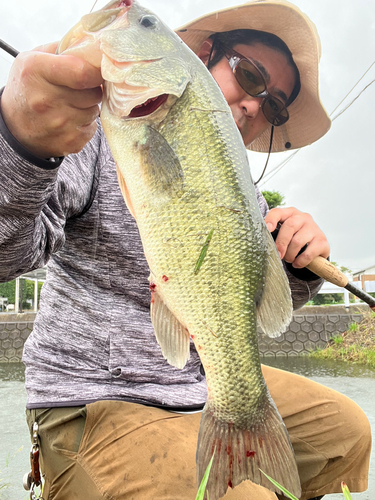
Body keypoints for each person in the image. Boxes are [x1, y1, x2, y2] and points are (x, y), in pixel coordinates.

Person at [0, 0, 371, 499]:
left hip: (194, 383)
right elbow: (8, 256)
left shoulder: (246, 194)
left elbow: (245, 307)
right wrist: (20, 144)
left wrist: (296, 265)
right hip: (94, 397)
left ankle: (230, 435)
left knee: (345, 433)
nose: (256, 105)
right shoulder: (89, 133)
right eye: (251, 76)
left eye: (275, 105)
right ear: (202, 54)